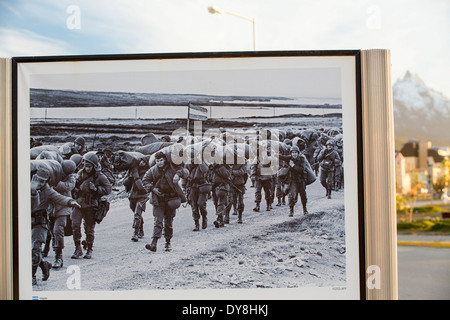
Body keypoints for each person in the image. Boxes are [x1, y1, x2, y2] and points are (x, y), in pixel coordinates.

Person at [31, 168, 80, 285]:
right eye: (38, 180)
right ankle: (43, 264)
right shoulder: (26, 186)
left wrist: (71, 201)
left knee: (35, 248)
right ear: (34, 178)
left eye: (43, 181)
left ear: (47, 181)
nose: (40, 183)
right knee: (27, 250)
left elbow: (60, 198)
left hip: (39, 222)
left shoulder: (48, 191)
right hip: (27, 220)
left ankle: (32, 275)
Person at [143, 151, 188, 252]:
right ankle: (154, 244)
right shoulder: (153, 170)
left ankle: (168, 242)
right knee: (157, 221)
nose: (159, 162)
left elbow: (185, 171)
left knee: (168, 221)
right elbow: (145, 180)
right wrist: (153, 189)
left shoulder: (172, 168)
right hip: (158, 200)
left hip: (171, 199)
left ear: (165, 160)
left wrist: (178, 174)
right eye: (157, 161)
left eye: (161, 160)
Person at [71, 152, 112, 259]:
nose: (87, 168)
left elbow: (108, 189)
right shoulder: (80, 173)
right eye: (85, 165)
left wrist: (96, 189)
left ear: (94, 166)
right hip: (79, 202)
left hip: (91, 204)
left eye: (89, 166)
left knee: (89, 228)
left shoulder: (100, 176)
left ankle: (89, 249)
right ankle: (77, 248)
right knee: (75, 225)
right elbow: (74, 185)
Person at [50, 160, 78, 268]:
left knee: (58, 230)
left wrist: (53, 182)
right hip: (51, 207)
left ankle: (58, 257)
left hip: (64, 207)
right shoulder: (54, 173)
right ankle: (47, 249)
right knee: (51, 231)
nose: (63, 174)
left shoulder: (71, 178)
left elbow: (67, 187)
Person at [124, 158, 149, 242]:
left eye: (144, 161)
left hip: (142, 196)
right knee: (136, 213)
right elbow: (125, 183)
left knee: (137, 213)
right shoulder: (133, 171)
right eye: (140, 161)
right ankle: (141, 229)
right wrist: (130, 177)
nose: (142, 162)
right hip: (132, 195)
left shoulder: (148, 172)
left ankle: (135, 233)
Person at [279, 146, 309, 217]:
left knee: (303, 195)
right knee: (291, 195)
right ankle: (291, 210)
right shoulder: (290, 158)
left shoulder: (302, 159)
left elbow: (301, 169)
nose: (294, 154)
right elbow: (282, 157)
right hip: (293, 180)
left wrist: (293, 166)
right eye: (293, 153)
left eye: (295, 153)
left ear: (298, 153)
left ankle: (305, 209)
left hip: (301, 180)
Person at [185, 161, 210, 231]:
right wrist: (185, 188)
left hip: (202, 186)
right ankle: (196, 224)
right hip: (192, 186)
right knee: (194, 206)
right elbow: (185, 175)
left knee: (201, 204)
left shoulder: (202, 163)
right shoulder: (188, 164)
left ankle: (204, 217)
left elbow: (205, 170)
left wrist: (200, 161)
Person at [209, 162, 231, 228]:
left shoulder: (224, 166)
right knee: (216, 203)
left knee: (221, 203)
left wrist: (219, 168)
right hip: (214, 187)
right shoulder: (211, 168)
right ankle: (220, 219)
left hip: (222, 187)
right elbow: (209, 177)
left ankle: (219, 218)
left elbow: (227, 175)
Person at [224, 160, 247, 224]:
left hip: (240, 184)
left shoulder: (242, 161)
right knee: (229, 201)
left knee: (240, 202)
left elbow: (241, 172)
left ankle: (240, 217)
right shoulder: (227, 162)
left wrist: (232, 172)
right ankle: (226, 217)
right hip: (231, 184)